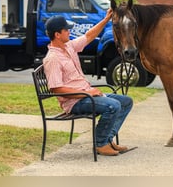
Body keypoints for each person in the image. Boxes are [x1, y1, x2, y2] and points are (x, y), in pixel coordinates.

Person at [43, 9, 133, 156]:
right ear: (57, 35)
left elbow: (89, 36)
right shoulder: (53, 58)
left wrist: (105, 20)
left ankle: (107, 139)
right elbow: (57, 89)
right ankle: (100, 144)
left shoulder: (69, 47)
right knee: (113, 105)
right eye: (66, 30)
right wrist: (87, 92)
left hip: (87, 95)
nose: (69, 32)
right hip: (75, 102)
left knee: (126, 101)